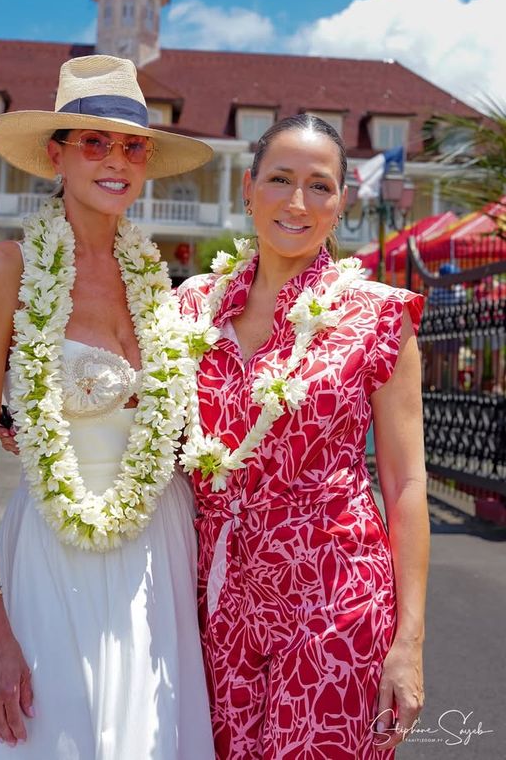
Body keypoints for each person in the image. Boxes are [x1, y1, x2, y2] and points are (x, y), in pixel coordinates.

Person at [0, 55, 216, 759]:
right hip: (53, 556)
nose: (117, 160)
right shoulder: (1, 272)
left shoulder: (165, 290)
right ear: (55, 154)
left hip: (162, 552)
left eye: (132, 145)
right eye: (94, 141)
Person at [178, 114, 429, 759]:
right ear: (247, 187)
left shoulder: (378, 317)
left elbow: (405, 481)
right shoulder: (189, 309)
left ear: (342, 201)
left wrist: (411, 642)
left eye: (319, 185)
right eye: (279, 180)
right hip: (217, 605)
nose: (296, 202)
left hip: (336, 598)